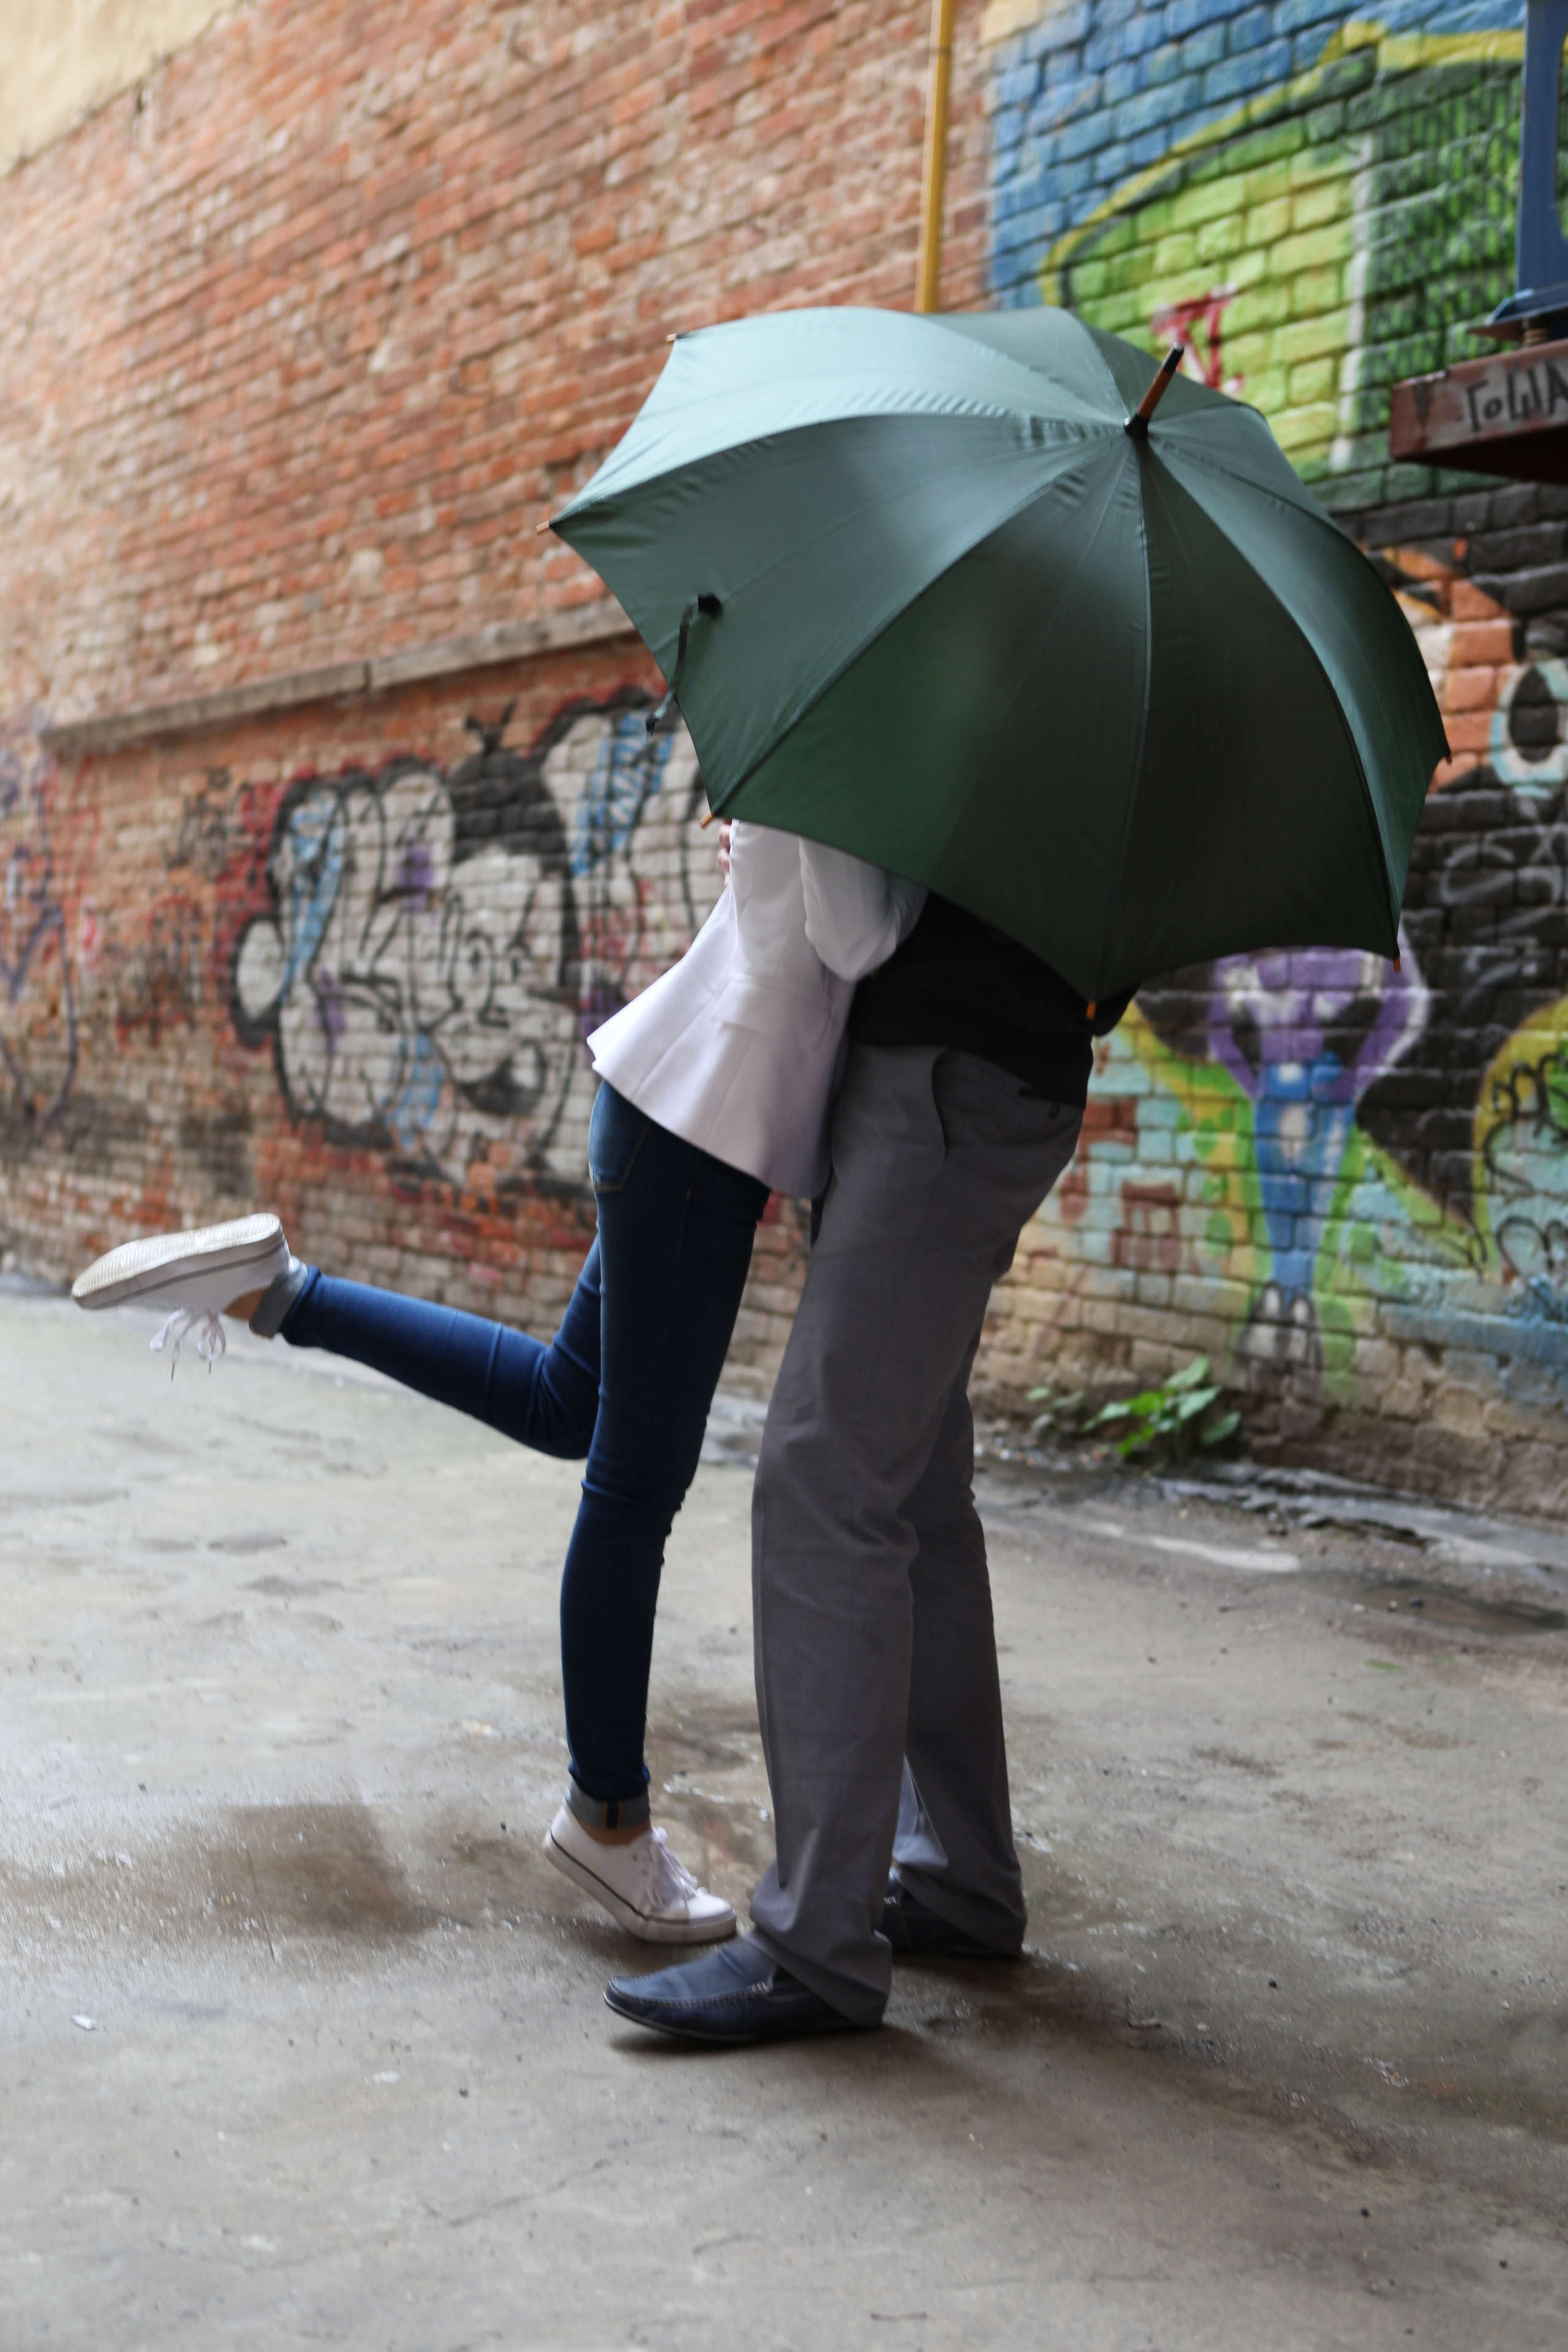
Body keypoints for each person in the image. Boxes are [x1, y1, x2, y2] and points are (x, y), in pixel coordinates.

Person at [71, 820, 924, 1947]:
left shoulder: (814, 744)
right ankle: (606, 1819)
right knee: (634, 1491)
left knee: (563, 1402)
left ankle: (276, 1290)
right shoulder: (842, 763)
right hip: (700, 1135)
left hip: (681, 1114)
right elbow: (859, 937)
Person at [601, 895, 1134, 2041]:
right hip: (976, 1071)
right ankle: (961, 1877)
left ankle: (816, 1946)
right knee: (917, 1492)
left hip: (948, 1080)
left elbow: (858, 920)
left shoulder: (1007, 716)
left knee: (824, 1478)